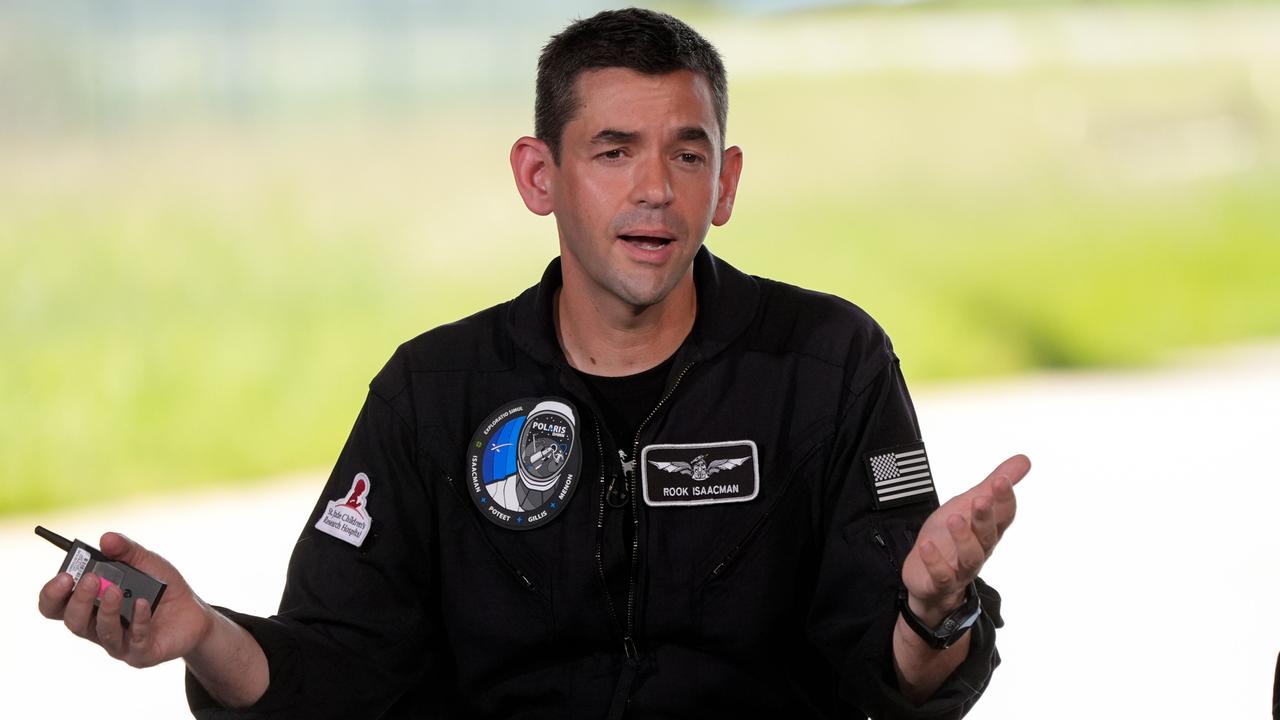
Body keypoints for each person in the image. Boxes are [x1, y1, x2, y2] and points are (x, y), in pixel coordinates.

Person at [37, 8, 1030, 719]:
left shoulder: (824, 362)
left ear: (724, 183)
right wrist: (205, 634)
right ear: (538, 174)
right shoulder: (435, 392)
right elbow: (342, 675)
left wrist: (930, 610)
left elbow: (892, 678)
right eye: (611, 152)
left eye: (686, 155)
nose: (653, 190)